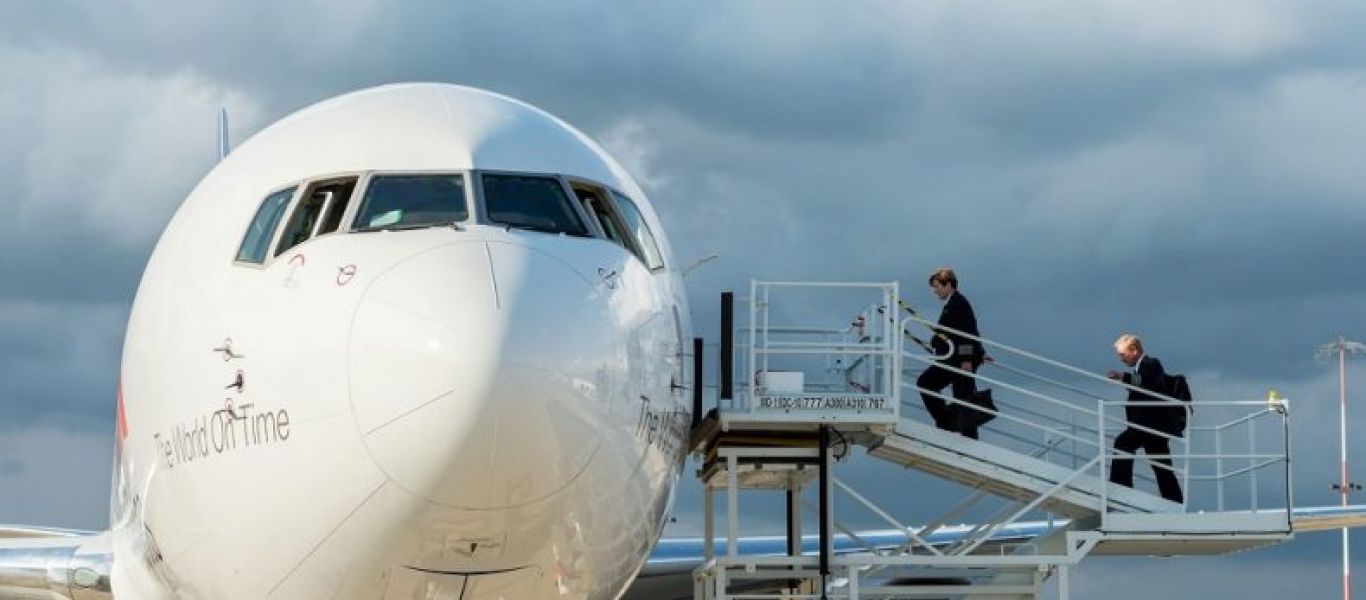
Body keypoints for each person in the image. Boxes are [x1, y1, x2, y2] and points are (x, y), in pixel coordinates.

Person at [1105, 334, 1184, 503]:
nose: (1121, 359)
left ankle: (1121, 486)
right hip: (1153, 426)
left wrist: (1122, 376)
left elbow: (1144, 381)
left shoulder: (1150, 364)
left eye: (1123, 354)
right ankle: (1175, 501)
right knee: (1162, 466)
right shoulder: (1143, 368)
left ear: (1134, 350)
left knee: (1123, 443)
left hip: (1150, 425)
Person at [915, 268, 986, 439]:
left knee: (961, 399)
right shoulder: (953, 303)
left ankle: (953, 429)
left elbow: (967, 331)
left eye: (937, 286)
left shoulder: (958, 303)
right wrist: (981, 352)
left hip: (959, 361)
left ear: (948, 285)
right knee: (953, 394)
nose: (935, 290)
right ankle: (946, 424)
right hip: (951, 359)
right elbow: (968, 330)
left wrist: (968, 359)